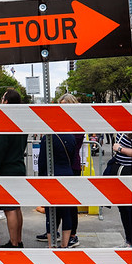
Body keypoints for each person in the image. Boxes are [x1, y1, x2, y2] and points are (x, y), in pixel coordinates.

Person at [37, 93, 83, 247]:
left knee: (68, 207)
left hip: (70, 167)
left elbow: (43, 161)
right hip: (67, 168)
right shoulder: (67, 132)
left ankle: (71, 236)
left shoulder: (74, 125)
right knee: (60, 207)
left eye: (65, 104)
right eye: (60, 105)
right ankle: (58, 236)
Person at [0, 89, 29, 248]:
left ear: (6, 102)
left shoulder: (5, 121)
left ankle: (14, 243)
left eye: (2, 98)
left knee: (9, 209)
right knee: (16, 207)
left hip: (7, 169)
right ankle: (18, 239)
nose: (1, 101)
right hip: (18, 166)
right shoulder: (21, 120)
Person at [38, 132, 78, 248]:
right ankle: (64, 245)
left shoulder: (48, 138)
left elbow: (42, 161)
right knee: (66, 212)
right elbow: (73, 157)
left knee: (51, 213)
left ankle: (52, 245)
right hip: (68, 174)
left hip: (52, 176)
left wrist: (41, 180)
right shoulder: (71, 137)